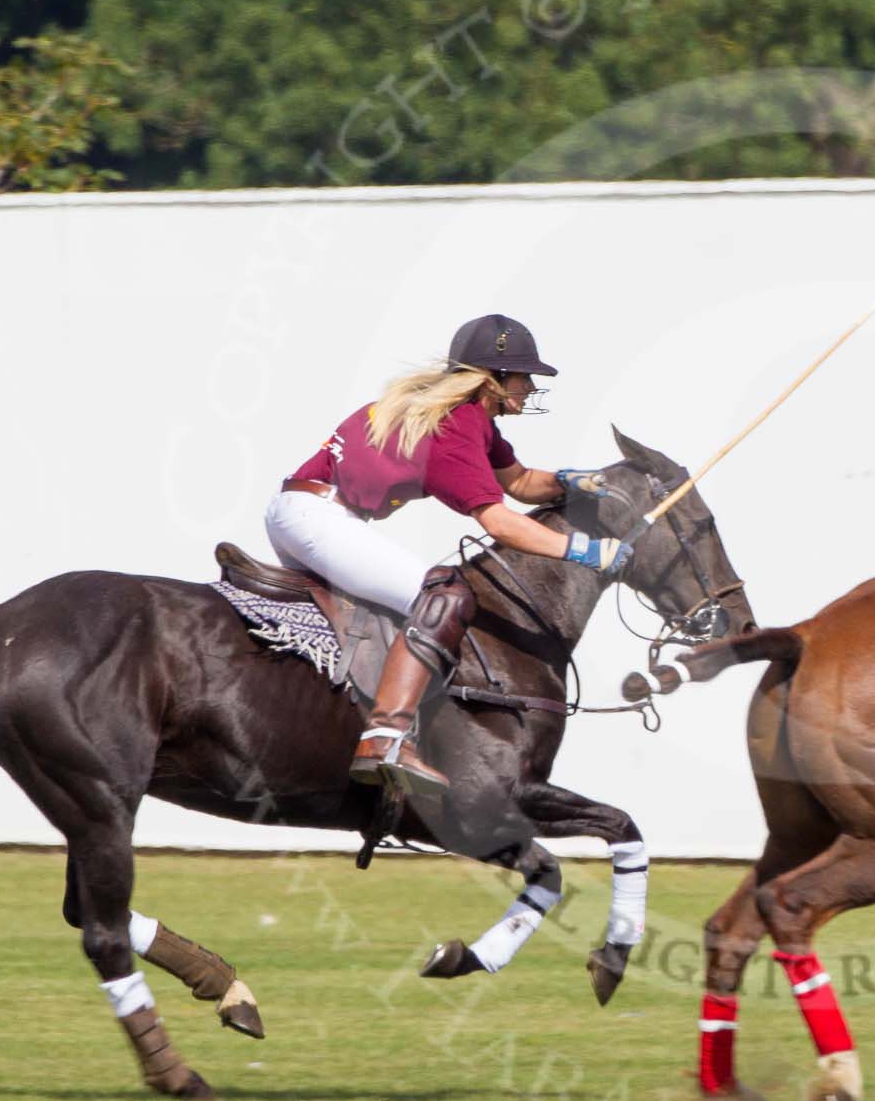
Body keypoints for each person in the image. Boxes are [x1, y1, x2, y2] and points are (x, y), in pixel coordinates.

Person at [265, 314, 629, 797]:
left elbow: (518, 482)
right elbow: (499, 522)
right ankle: (387, 737)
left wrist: (568, 481)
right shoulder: (455, 427)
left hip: (302, 513)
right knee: (442, 594)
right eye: (523, 376)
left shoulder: (469, 420)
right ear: (492, 379)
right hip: (320, 518)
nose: (530, 386)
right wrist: (585, 551)